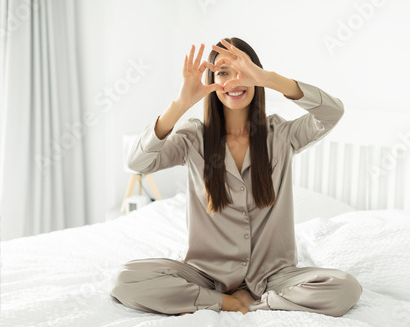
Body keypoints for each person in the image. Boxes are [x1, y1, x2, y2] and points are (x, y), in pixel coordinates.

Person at [109, 37, 363, 317]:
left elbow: (331, 112)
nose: (234, 81)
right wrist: (181, 104)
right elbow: (137, 162)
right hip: (207, 274)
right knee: (124, 279)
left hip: (272, 276)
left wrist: (270, 79)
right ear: (212, 82)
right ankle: (227, 302)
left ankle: (257, 302)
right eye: (224, 73)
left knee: (344, 287)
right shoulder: (193, 138)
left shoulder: (280, 135)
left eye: (244, 70)